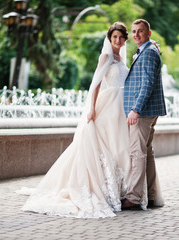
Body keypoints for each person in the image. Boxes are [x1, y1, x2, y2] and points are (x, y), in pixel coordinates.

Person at [18, 22, 132, 218]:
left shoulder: (122, 58)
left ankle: (118, 189)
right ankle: (100, 189)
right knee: (102, 145)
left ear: (125, 39)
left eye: (121, 37)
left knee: (117, 147)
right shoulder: (105, 56)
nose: (118, 40)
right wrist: (92, 109)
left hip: (121, 107)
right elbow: (96, 84)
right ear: (110, 38)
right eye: (115, 37)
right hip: (107, 105)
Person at [122, 19, 167, 210]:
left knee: (137, 153)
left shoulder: (148, 52)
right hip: (149, 111)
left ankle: (133, 197)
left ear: (148, 34)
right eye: (133, 31)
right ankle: (151, 195)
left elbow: (147, 84)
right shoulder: (148, 50)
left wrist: (136, 109)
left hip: (143, 112)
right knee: (147, 153)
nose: (136, 35)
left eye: (140, 31)